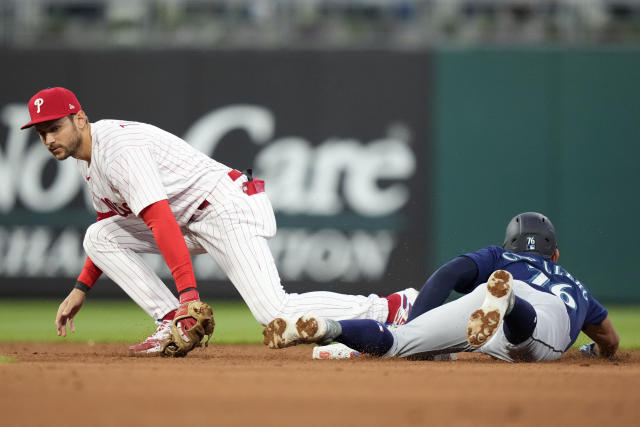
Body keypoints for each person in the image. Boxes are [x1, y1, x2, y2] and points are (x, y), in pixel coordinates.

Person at [21, 86, 418, 356]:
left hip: (223, 206)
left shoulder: (117, 149)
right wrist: (81, 289)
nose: (49, 139)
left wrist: (190, 298)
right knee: (98, 235)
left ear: (80, 119)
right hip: (190, 219)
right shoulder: (87, 162)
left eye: (54, 127)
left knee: (274, 311)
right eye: (41, 133)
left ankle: (390, 307)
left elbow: (160, 221)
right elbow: (112, 228)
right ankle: (168, 321)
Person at [263, 212, 620, 362]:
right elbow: (610, 341)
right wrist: (595, 351)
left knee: (400, 343)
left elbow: (448, 274)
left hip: (483, 299)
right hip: (535, 311)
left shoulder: (501, 257)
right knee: (524, 345)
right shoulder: (576, 288)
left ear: (510, 245)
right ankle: (508, 301)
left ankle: (328, 327)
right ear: (554, 254)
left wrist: (415, 324)